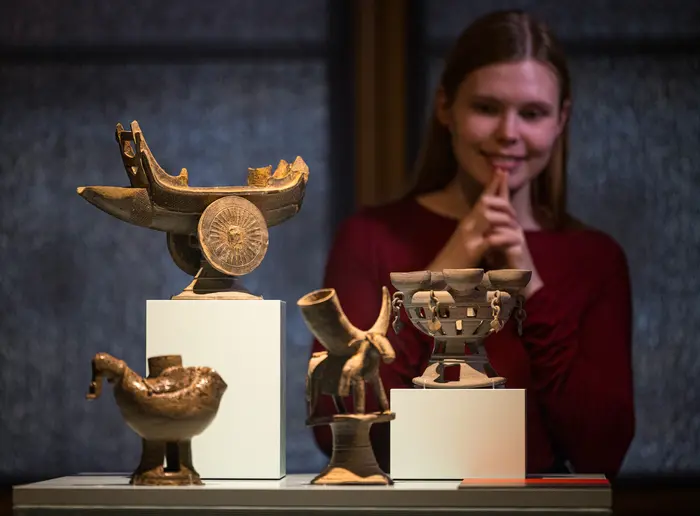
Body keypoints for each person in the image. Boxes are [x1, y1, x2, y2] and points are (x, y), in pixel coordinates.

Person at [309, 9, 635, 478]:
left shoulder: (597, 258)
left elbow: (602, 451)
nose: (509, 133)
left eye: (533, 113)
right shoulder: (371, 238)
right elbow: (338, 429)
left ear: (561, 120)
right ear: (446, 107)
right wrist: (444, 275)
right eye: (486, 108)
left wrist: (530, 283)